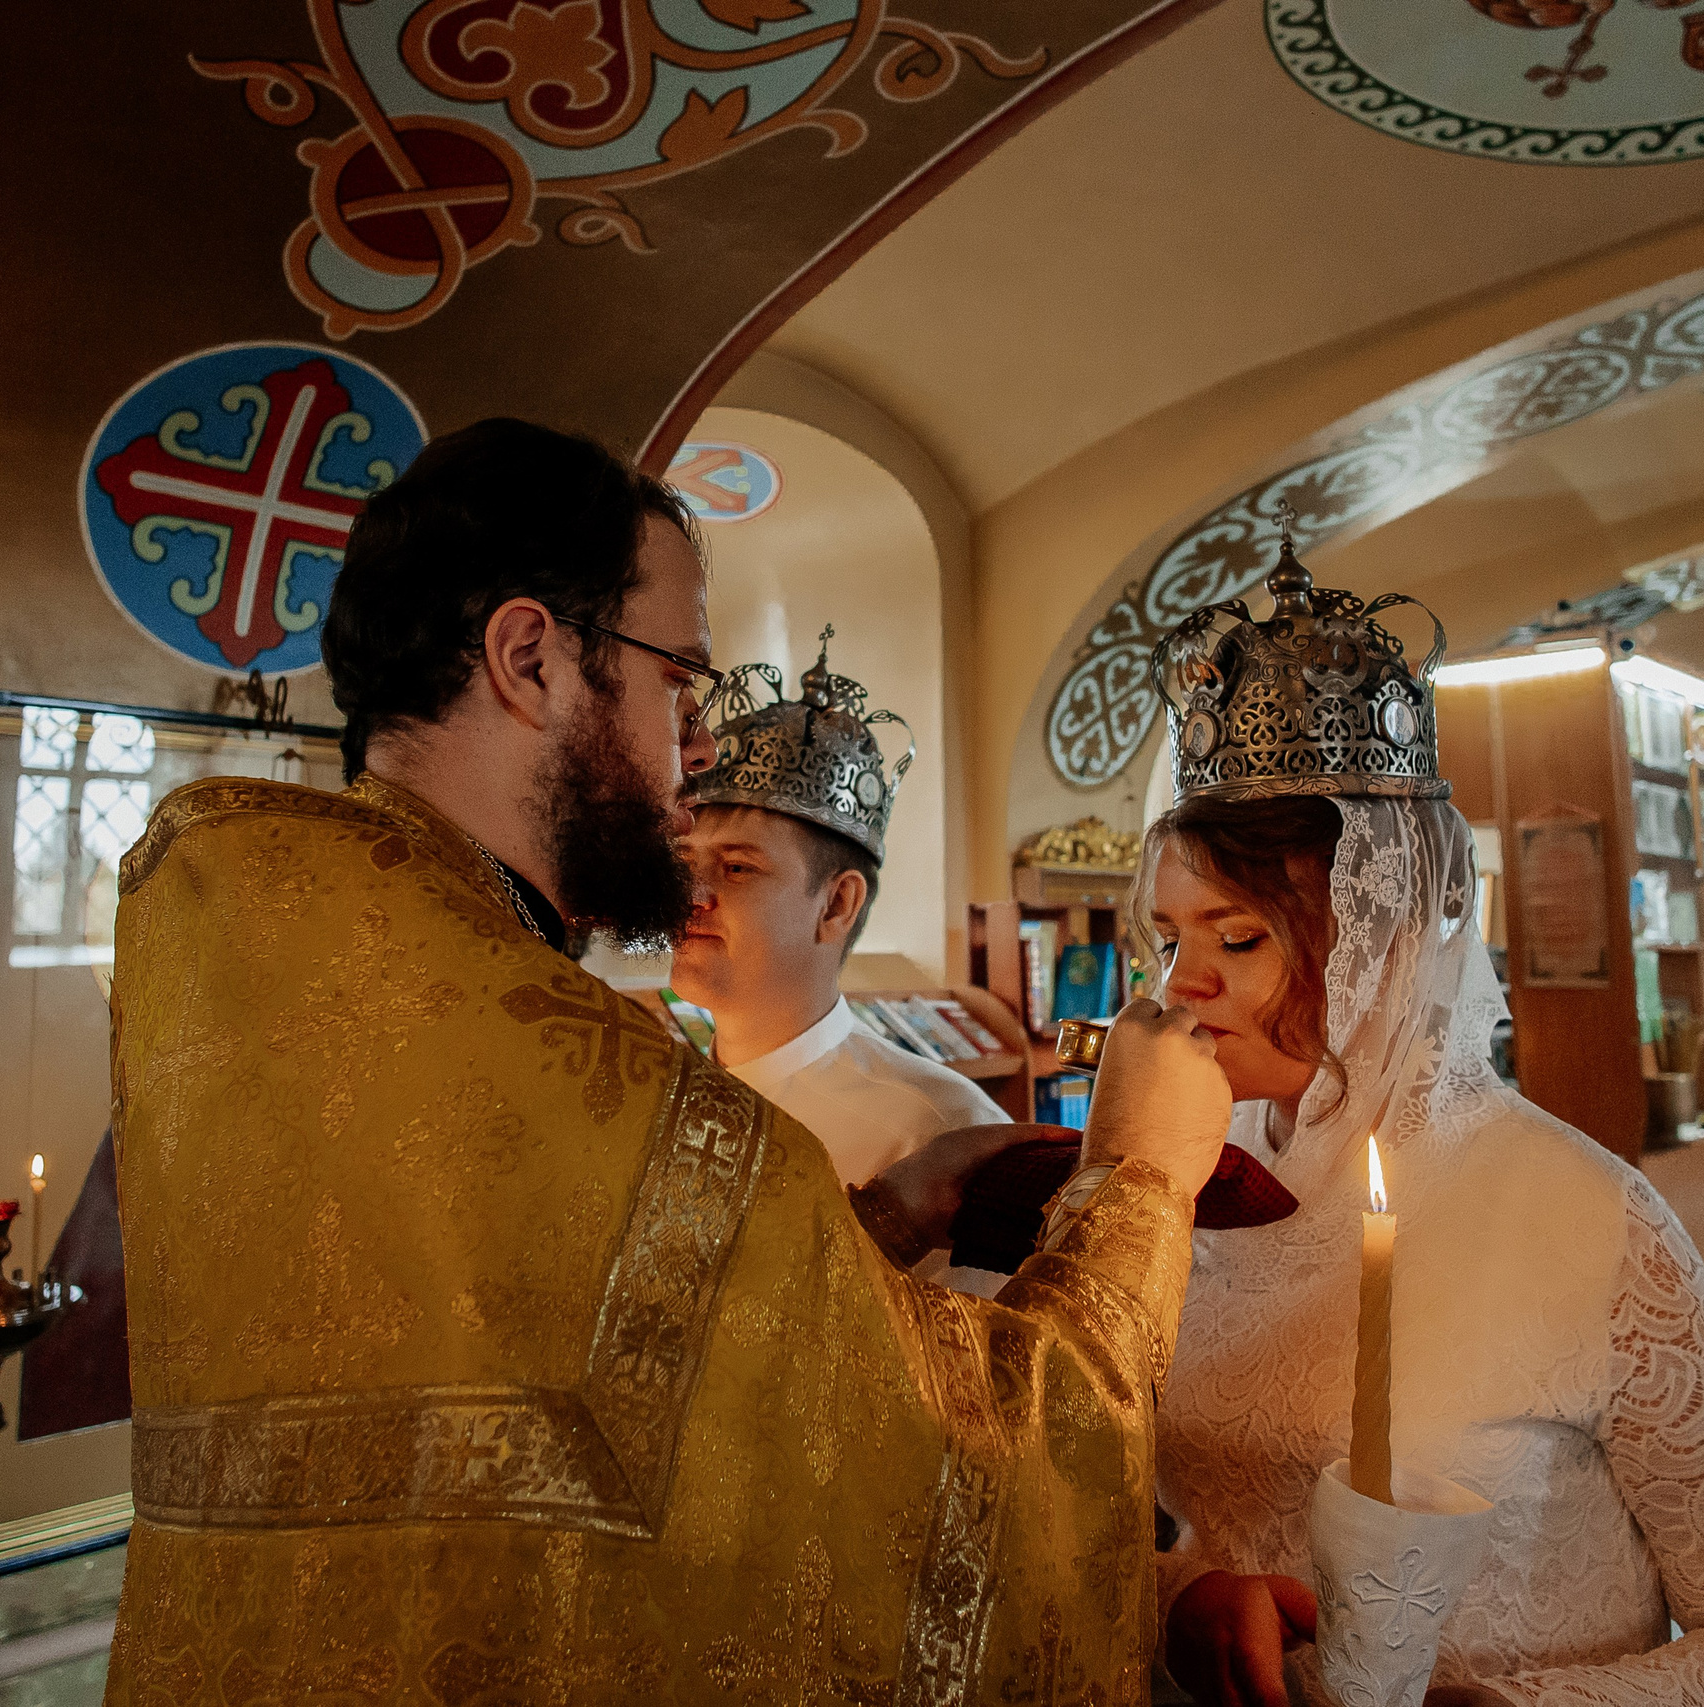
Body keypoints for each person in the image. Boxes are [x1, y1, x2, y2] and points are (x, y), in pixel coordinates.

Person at [103, 418, 1231, 1700]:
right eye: (677, 681)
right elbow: (975, 1492)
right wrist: (1139, 1177)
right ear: (529, 658)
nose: (695, 753)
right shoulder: (579, 1070)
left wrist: (866, 1218)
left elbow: (520, 1376)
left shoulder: (276, 969)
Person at [1136, 537, 1704, 1707]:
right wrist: (1180, 1597)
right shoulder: (1188, 1184)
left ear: (1384, 938)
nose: (1182, 984)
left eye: (1237, 938)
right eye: (1167, 938)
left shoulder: (1581, 1215)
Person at [670, 634, 1007, 1190]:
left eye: (736, 868)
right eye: (684, 861)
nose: (691, 893)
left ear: (836, 904)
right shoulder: (657, 1091)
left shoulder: (938, 1135)